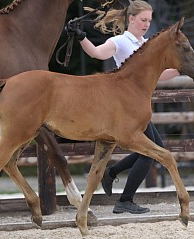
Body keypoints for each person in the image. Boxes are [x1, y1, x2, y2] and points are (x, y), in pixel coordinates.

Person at [67, 0, 179, 214]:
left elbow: (159, 76)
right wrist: (81, 37)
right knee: (151, 153)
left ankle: (111, 174)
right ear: (131, 19)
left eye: (149, 21)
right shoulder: (121, 41)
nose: (147, 24)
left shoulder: (145, 45)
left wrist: (181, 69)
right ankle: (124, 200)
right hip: (126, 107)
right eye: (143, 20)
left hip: (138, 107)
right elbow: (97, 54)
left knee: (153, 150)